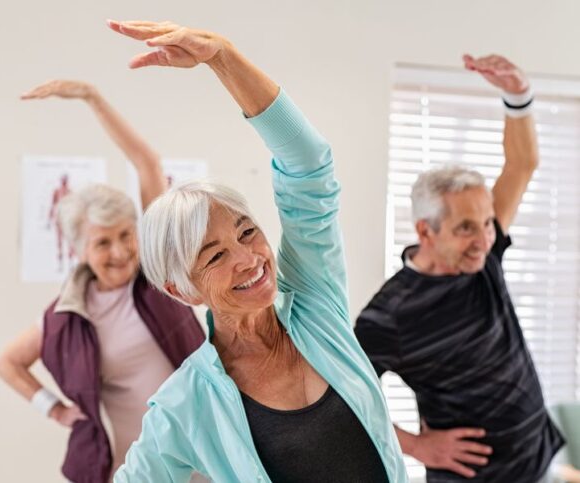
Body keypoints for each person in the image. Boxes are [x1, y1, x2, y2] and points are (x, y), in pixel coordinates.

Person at [109, 20, 408, 482]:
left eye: (246, 232)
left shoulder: (314, 303)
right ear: (183, 290)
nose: (248, 259)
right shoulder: (184, 405)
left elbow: (308, 166)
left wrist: (222, 57)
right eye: (214, 257)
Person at [355, 54, 565, 481]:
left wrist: (518, 95)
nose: (485, 237)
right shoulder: (389, 314)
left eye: (487, 221)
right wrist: (417, 446)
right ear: (425, 231)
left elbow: (522, 165)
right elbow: (340, 403)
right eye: (466, 227)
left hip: (538, 463)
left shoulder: (483, 257)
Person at [0, 79, 205, 482]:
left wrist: (92, 99)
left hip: (201, 457)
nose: (121, 251)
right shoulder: (68, 315)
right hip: (132, 468)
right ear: (79, 251)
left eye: (126, 235)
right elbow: (7, 362)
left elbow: (147, 164)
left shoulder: (158, 274)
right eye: (103, 242)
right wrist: (53, 409)